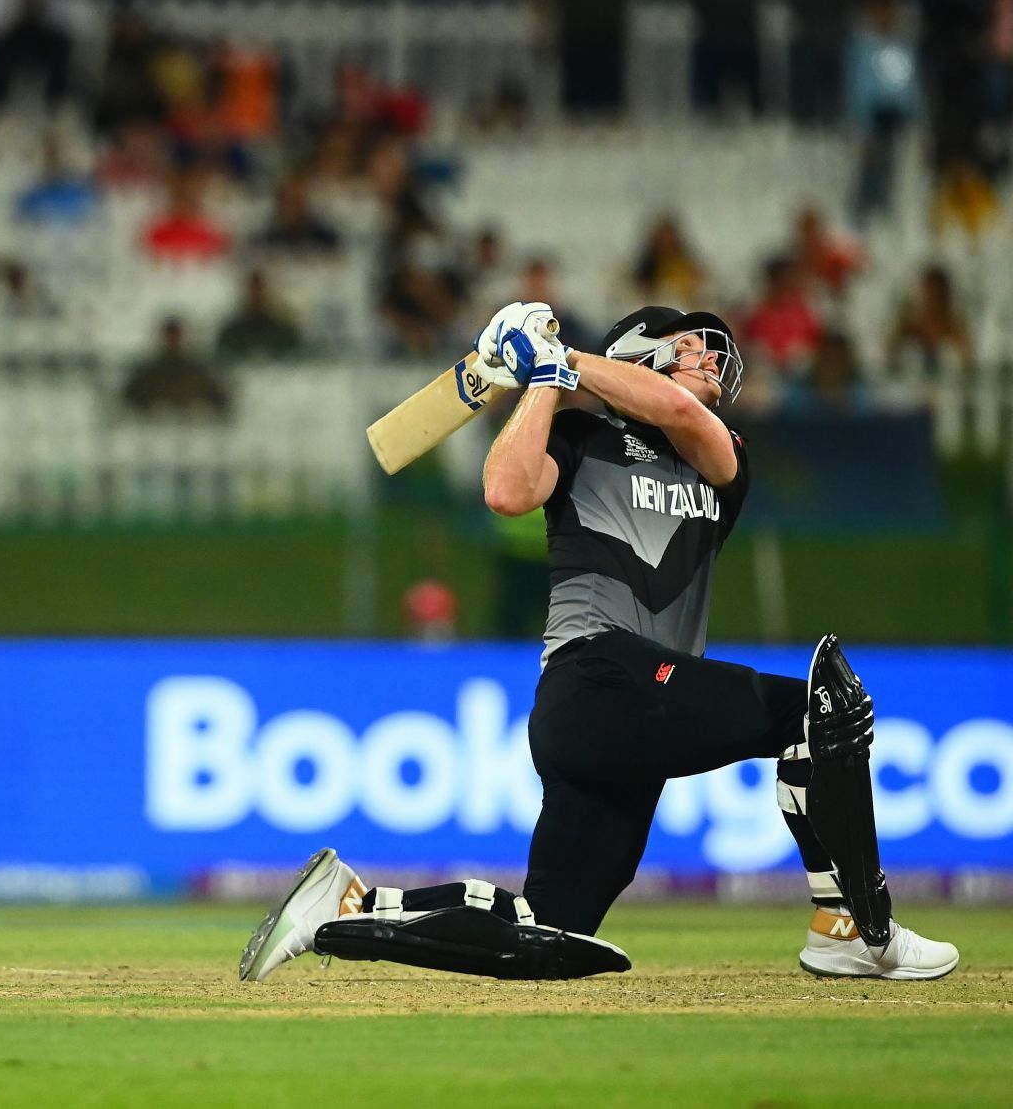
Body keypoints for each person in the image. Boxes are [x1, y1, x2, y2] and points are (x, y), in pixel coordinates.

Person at [239, 301, 959, 984]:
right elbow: (506, 493)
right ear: (640, 356)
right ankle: (855, 930)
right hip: (594, 678)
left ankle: (348, 904)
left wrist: (560, 357)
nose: (711, 355)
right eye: (688, 345)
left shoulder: (720, 456)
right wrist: (544, 382)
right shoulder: (580, 440)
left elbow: (674, 408)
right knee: (820, 706)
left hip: (625, 721)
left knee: (547, 928)